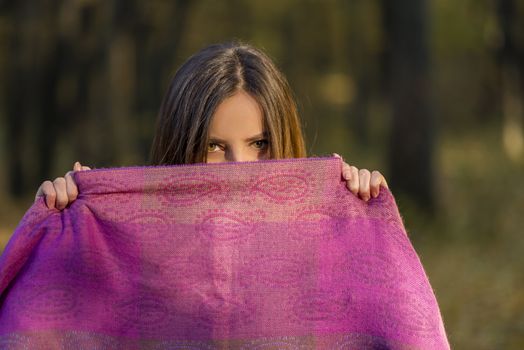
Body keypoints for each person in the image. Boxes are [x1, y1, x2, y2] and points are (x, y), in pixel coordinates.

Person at [35, 41, 388, 210]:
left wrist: (358, 208)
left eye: (260, 144)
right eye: (213, 146)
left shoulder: (322, 228)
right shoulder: (141, 246)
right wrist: (71, 219)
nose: (240, 168)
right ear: (179, 145)